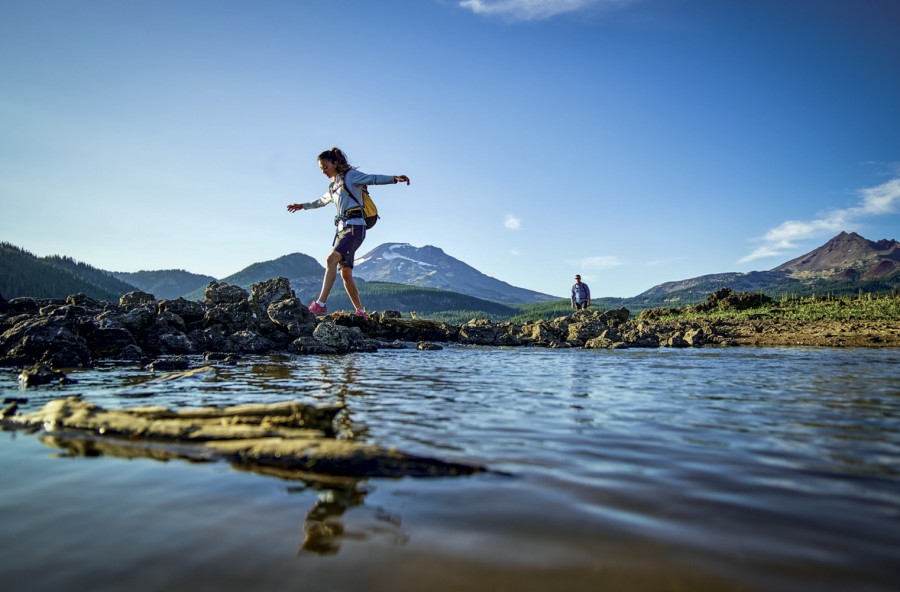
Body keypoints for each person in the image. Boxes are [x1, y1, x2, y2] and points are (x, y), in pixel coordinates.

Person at [287, 147, 410, 318]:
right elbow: (321, 201)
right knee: (345, 273)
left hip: (355, 228)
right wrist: (302, 206)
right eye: (321, 168)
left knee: (331, 259)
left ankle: (320, 304)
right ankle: (360, 311)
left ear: (335, 163)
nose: (323, 171)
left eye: (325, 167)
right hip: (342, 230)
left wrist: (394, 179)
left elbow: (372, 178)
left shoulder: (350, 176)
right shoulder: (333, 186)